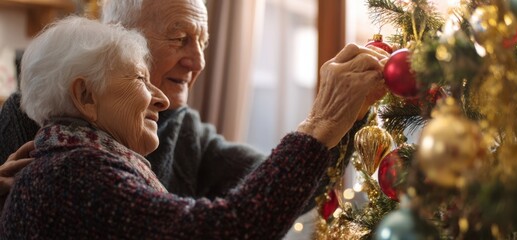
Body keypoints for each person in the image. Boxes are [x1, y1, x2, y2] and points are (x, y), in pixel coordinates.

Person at [0, 16, 384, 238]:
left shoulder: (67, 158)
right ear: (85, 97)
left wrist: (343, 119)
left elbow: (272, 192)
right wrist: (320, 122)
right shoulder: (74, 172)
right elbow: (232, 227)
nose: (162, 100)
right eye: (139, 78)